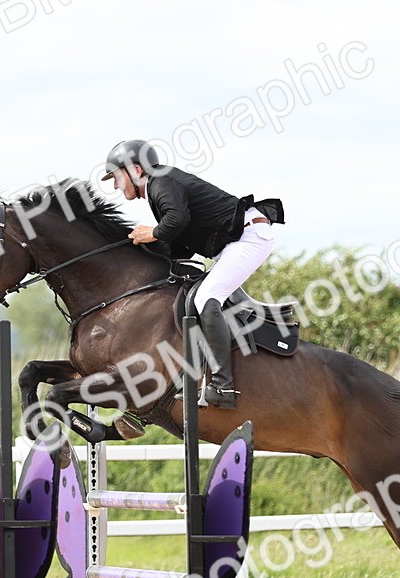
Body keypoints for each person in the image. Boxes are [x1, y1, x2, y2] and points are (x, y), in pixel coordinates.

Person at [101, 139, 283, 409]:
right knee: (194, 295)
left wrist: (151, 233)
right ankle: (197, 374)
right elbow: (180, 242)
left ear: (136, 170)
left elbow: (176, 220)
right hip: (236, 241)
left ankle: (223, 386)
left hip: (249, 237)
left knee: (206, 298)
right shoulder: (159, 186)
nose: (116, 185)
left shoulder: (161, 181)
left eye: (117, 177)